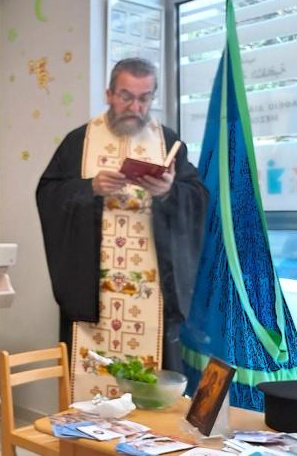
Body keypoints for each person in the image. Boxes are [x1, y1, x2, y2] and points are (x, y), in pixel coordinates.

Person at [36, 58, 207, 400]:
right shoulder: (79, 141)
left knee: (151, 393)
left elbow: (198, 198)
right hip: (93, 290)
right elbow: (48, 194)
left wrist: (169, 192)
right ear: (109, 94)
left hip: (150, 291)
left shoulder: (168, 142)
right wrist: (90, 188)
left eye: (144, 98)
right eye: (126, 96)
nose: (135, 107)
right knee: (88, 389)